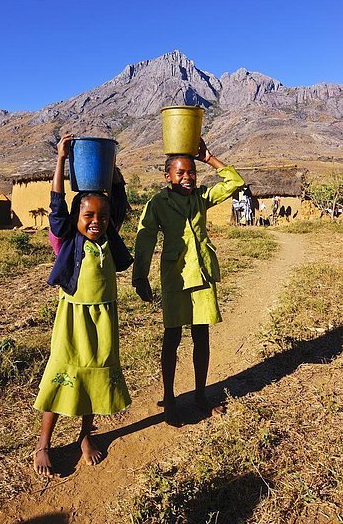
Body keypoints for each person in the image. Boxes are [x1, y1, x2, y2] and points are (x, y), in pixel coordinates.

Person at [33, 134, 133, 476]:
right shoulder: (67, 239)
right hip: (73, 319)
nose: (96, 221)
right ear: (77, 217)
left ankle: (85, 436)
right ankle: (43, 443)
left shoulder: (109, 236)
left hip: (104, 318)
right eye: (88, 215)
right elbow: (58, 204)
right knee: (62, 373)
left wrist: (113, 172)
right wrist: (61, 159)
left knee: (93, 377)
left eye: (102, 217)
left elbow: (117, 204)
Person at [132, 138, 244, 426]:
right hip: (176, 276)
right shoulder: (158, 203)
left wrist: (209, 158)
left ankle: (200, 396)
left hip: (202, 273)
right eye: (180, 172)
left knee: (201, 337)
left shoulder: (201, 198)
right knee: (171, 339)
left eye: (191, 172)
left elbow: (234, 182)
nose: (187, 177)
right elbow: (145, 239)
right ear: (167, 175)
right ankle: (169, 399)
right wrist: (140, 275)